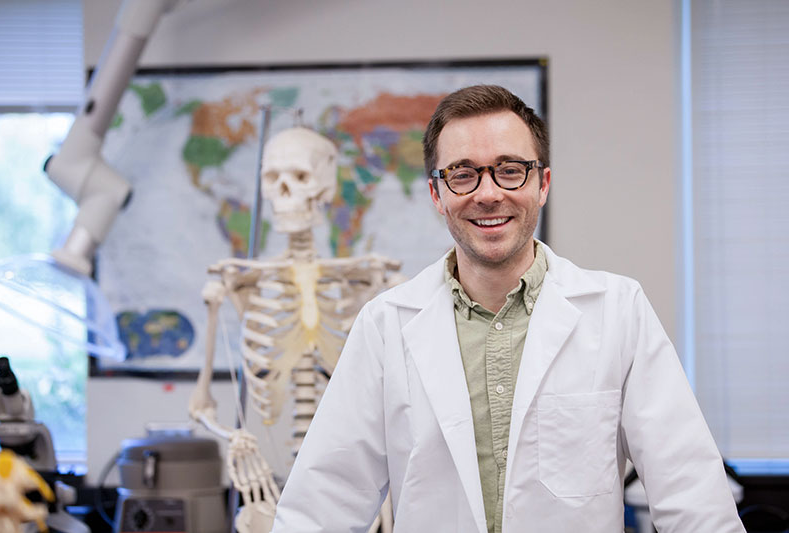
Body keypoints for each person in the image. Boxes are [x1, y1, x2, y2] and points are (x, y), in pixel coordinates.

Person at [270, 85, 744, 533]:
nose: (488, 192)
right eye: (462, 173)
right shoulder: (385, 325)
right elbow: (320, 507)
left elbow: (694, 498)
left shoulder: (618, 311)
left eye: (510, 169)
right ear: (437, 194)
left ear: (542, 183)